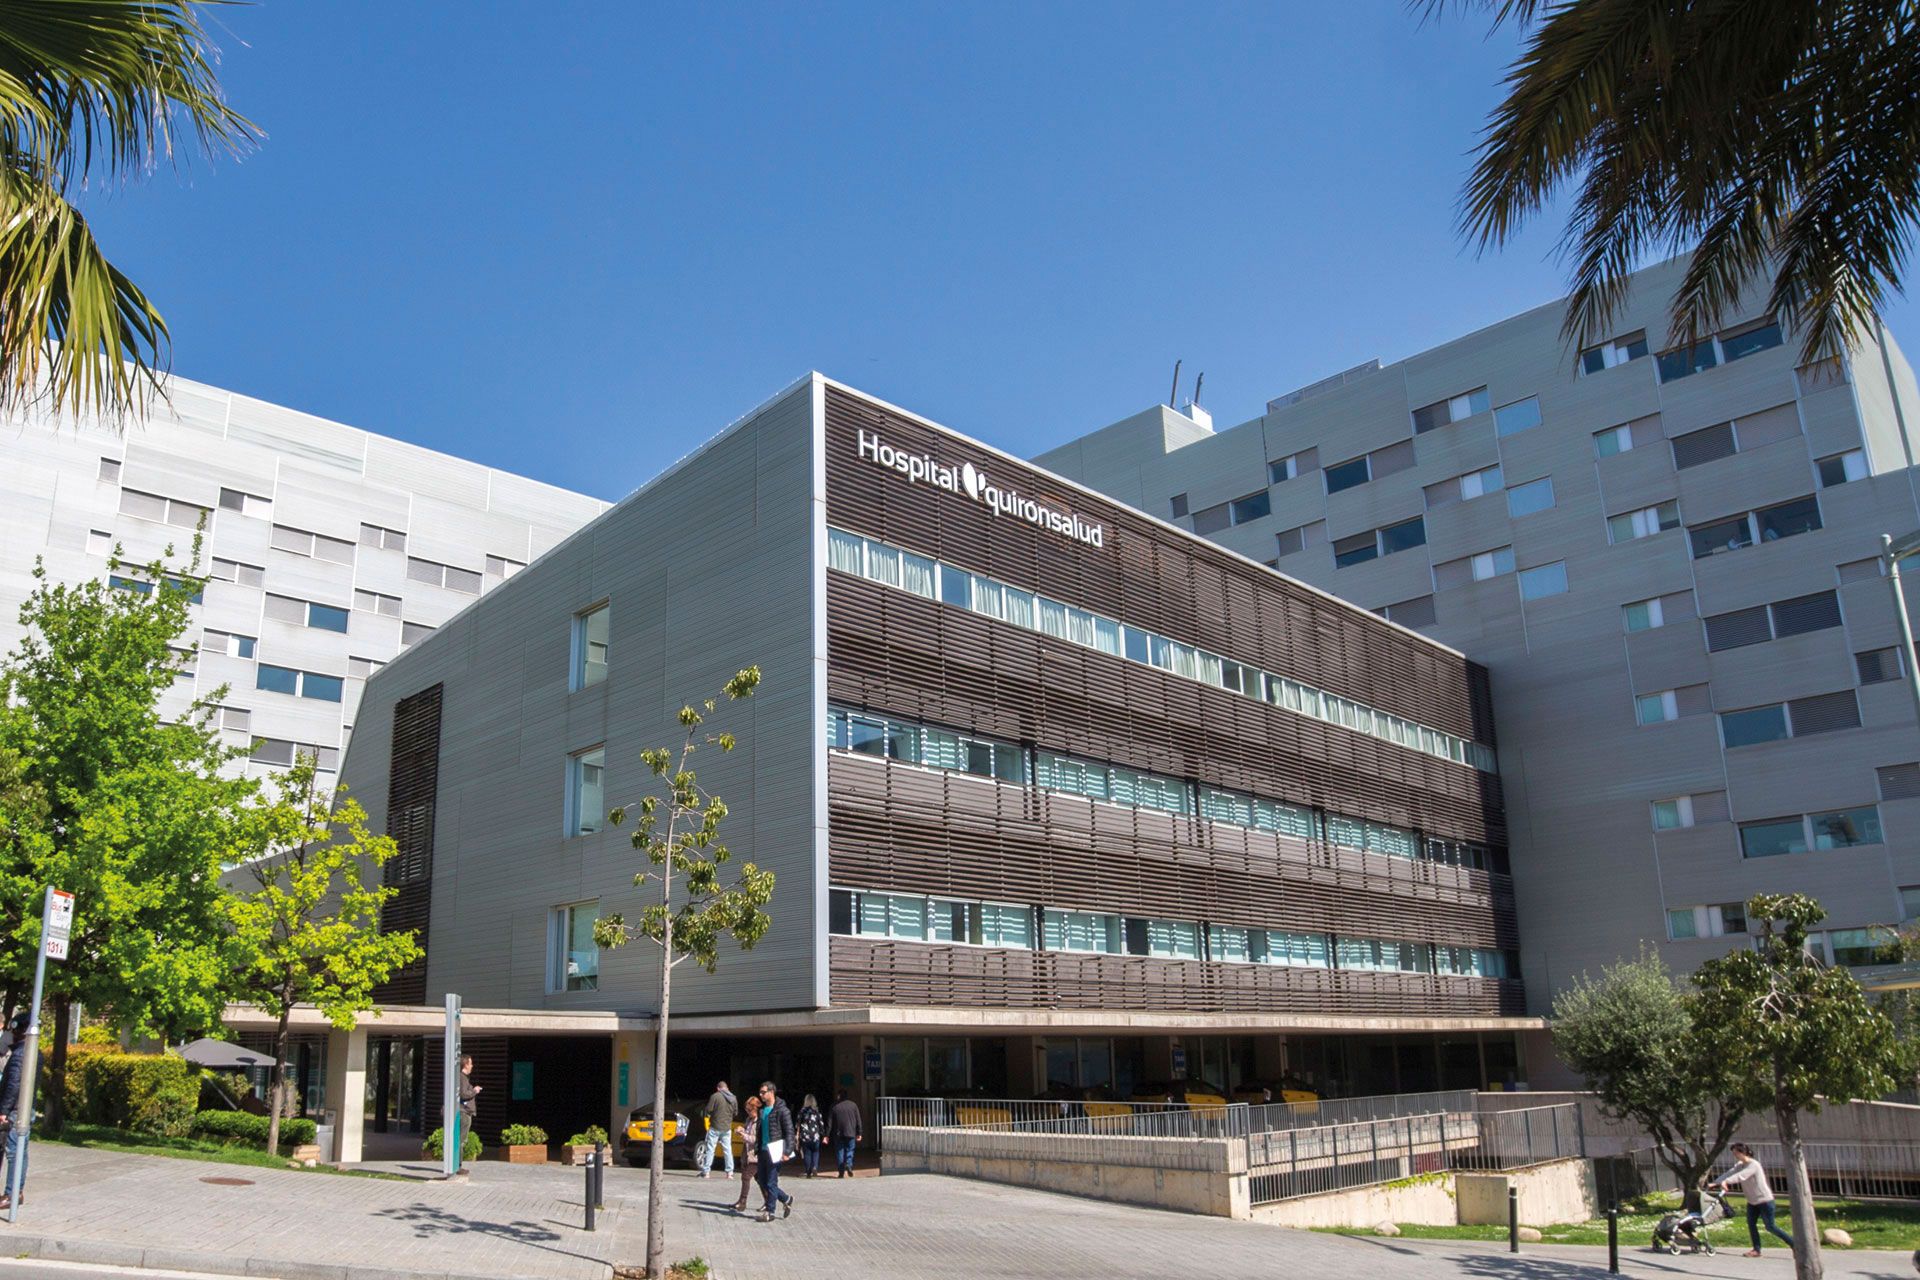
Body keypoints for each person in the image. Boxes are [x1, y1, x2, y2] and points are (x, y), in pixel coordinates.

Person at [1709, 1142, 1794, 1258]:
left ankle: (1794, 1244)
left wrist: (1726, 1182)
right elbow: (1729, 1173)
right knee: (1751, 1224)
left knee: (1770, 1226)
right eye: (1733, 1153)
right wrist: (1715, 1182)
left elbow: (1741, 1176)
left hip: (1765, 1200)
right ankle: (1756, 1250)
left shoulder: (1754, 1165)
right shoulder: (1740, 1165)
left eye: (1736, 1153)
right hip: (1752, 1202)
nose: (1735, 1155)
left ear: (1743, 1152)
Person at [752, 1080, 795, 1221]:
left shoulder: (782, 1110)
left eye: (763, 1092)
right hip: (763, 1151)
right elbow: (759, 1132)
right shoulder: (762, 1111)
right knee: (762, 1180)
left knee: (771, 1182)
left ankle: (770, 1212)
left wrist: (787, 1151)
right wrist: (757, 1148)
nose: (761, 1095)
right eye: (760, 1092)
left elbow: (789, 1132)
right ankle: (786, 1198)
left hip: (775, 1150)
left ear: (771, 1092)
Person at [0, 1012, 31, 1209]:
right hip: (22, 1109)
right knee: (19, 1151)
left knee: (14, 1152)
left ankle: (12, 1194)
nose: (12, 1034)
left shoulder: (21, 1054)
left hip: (15, 1110)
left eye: (15, 1030)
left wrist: (3, 1109)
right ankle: (15, 1192)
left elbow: (13, 1084)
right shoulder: (29, 1051)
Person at [729, 1095, 761, 1213]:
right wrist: (741, 1130)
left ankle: (743, 1202)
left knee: (746, 1177)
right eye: (747, 1110)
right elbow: (747, 1130)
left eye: (750, 1110)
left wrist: (745, 1136)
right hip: (747, 1154)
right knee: (760, 1180)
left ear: (755, 1109)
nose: (748, 1113)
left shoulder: (759, 1122)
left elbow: (757, 1139)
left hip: (755, 1156)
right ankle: (770, 1200)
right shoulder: (749, 1120)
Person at [699, 1080, 737, 1180]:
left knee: (710, 1149)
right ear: (727, 1088)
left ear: (718, 1088)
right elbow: (735, 1112)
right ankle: (730, 1173)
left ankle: (706, 1172)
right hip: (727, 1127)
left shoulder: (715, 1096)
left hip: (715, 1126)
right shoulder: (733, 1098)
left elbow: (708, 1110)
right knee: (727, 1149)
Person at [827, 1089, 862, 1178]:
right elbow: (858, 1120)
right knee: (850, 1149)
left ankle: (841, 1171)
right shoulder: (853, 1105)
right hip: (850, 1132)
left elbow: (829, 1122)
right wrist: (859, 1132)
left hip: (838, 1133)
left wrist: (826, 1134)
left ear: (839, 1096)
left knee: (840, 1151)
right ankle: (848, 1164)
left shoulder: (834, 1106)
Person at [454, 1053, 480, 1174]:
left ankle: (456, 1165)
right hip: (464, 1113)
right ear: (465, 1064)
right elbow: (464, 1094)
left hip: (464, 1111)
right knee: (461, 1140)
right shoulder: (462, 1078)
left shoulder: (462, 1078)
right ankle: (457, 1165)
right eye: (470, 1063)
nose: (472, 1066)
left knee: (461, 1139)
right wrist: (474, 1091)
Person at [796, 1093, 824, 1178]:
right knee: (816, 1152)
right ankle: (815, 1166)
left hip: (805, 1136)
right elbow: (821, 1124)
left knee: (807, 1153)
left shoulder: (802, 1112)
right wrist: (823, 1133)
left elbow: (797, 1124)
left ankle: (808, 1171)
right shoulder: (816, 1111)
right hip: (815, 1136)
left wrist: (797, 1134)